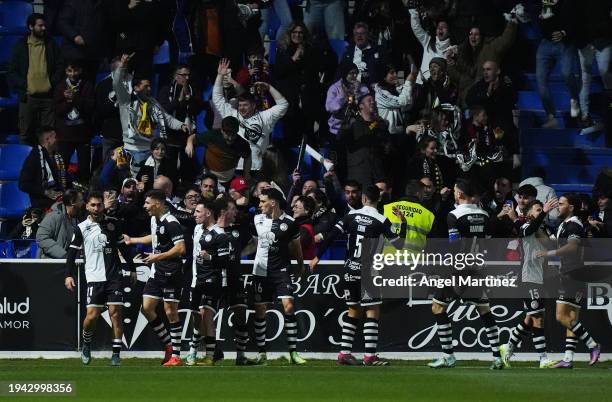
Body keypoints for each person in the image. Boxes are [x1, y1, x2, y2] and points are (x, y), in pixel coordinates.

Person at [310, 185, 407, 366]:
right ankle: (370, 356)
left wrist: (317, 257)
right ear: (379, 200)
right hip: (368, 271)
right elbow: (399, 245)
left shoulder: (350, 216)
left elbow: (331, 236)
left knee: (353, 310)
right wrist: (403, 223)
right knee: (372, 310)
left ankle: (344, 353)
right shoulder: (382, 220)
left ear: (363, 199)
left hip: (350, 269)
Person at [428, 178, 504, 370]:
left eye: (455, 191)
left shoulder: (454, 215)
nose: (453, 193)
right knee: (484, 309)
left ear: (460, 194)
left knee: (438, 308)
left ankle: (448, 356)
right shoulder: (485, 214)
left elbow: (454, 246)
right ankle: (497, 357)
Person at [64, 191, 137, 366]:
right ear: (87, 206)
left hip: (114, 277)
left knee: (116, 314)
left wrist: (132, 268)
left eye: (99, 205)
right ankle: (87, 344)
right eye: (93, 205)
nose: (97, 208)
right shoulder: (81, 228)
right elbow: (72, 253)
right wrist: (68, 275)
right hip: (94, 277)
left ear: (104, 206)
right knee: (92, 316)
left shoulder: (113, 224)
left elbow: (123, 248)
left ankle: (116, 354)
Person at [535, 193, 602, 368]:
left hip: (571, 274)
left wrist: (548, 254)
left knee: (561, 316)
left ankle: (593, 345)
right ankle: (568, 358)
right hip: (577, 274)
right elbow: (554, 244)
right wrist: (538, 227)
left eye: (562, 204)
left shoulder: (573, 225)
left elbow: (572, 247)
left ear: (571, 207)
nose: (558, 206)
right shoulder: (565, 225)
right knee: (572, 317)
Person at [124, 189, 186, 366]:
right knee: (147, 307)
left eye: (147, 203)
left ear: (157, 204)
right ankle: (168, 345)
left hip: (171, 271)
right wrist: (133, 240)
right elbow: (156, 237)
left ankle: (176, 355)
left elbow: (181, 248)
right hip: (157, 271)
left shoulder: (172, 222)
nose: (145, 206)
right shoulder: (154, 219)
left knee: (170, 312)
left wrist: (157, 257)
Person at [249, 188, 306, 365]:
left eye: (262, 201)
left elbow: (296, 247)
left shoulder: (290, 222)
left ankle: (293, 353)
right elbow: (254, 244)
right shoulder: (257, 219)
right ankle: (261, 353)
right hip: (260, 272)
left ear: (273, 202)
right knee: (260, 312)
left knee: (289, 307)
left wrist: (300, 266)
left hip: (281, 270)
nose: (259, 205)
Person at [499, 198, 558, 368]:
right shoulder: (525, 226)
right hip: (528, 277)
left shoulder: (542, 229)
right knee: (538, 317)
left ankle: (507, 347)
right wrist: (545, 211)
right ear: (529, 212)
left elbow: (552, 245)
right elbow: (529, 229)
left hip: (539, 277)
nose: (541, 212)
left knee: (530, 318)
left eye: (542, 210)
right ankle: (543, 358)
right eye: (538, 210)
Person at [112, 53, 191, 176]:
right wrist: (122, 65)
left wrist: (181, 125)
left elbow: (166, 118)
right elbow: (117, 83)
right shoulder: (126, 101)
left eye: (150, 86)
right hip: (133, 149)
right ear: (136, 88)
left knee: (150, 180)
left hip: (151, 149)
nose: (149, 89)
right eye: (146, 86)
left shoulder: (153, 102)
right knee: (135, 182)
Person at [212, 59, 288, 175]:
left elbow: (283, 104)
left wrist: (268, 87)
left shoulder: (265, 117)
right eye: (240, 105)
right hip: (234, 168)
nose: (241, 108)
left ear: (253, 105)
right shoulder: (233, 115)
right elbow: (217, 98)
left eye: (245, 105)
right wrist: (219, 76)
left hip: (256, 168)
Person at [8, 13, 63, 145]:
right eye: (40, 25)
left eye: (44, 25)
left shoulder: (51, 44)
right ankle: (27, 164)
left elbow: (60, 65)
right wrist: (25, 85)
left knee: (49, 135)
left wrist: (52, 82)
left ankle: (47, 164)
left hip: (48, 98)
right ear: (30, 27)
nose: (44, 28)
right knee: (25, 134)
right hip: (28, 98)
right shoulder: (21, 45)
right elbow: (12, 71)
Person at [274, 22, 324, 148]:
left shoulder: (311, 50)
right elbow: (279, 72)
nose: (297, 35)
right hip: (290, 98)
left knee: (308, 134)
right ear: (290, 34)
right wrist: (294, 58)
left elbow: (315, 71)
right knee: (291, 135)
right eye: (294, 32)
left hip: (307, 97)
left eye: (300, 32)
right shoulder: (283, 50)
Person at [534, 0, 581, 129]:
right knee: (540, 80)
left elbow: (576, 20)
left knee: (566, 73)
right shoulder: (543, 2)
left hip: (565, 42)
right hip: (546, 42)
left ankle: (574, 99)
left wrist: (563, 32)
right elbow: (538, 22)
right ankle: (551, 116)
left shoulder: (568, 3)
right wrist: (541, 16)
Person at [158, 65, 205, 186]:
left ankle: (185, 190)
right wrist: (178, 100)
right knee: (169, 168)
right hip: (170, 135)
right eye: (184, 75)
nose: (187, 77)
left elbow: (198, 110)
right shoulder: (166, 90)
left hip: (187, 135)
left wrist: (190, 99)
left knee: (187, 169)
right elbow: (164, 110)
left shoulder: (193, 90)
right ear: (176, 76)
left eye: (188, 75)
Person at [54, 60, 95, 184]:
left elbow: (90, 108)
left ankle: (84, 192)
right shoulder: (60, 87)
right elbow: (57, 111)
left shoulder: (87, 86)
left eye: (75, 70)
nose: (73, 74)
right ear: (65, 71)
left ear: (80, 70)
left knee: (84, 169)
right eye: (69, 71)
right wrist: (67, 101)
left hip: (82, 136)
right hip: (64, 136)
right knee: (61, 169)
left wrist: (75, 98)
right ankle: (61, 192)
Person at [185, 201, 216, 366]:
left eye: (198, 212)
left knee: (206, 316)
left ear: (208, 213)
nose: (194, 214)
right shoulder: (197, 229)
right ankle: (194, 352)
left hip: (210, 280)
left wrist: (209, 258)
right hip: (195, 279)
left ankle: (208, 354)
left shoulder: (217, 233)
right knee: (196, 316)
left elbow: (222, 258)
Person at [338, 93, 389, 189]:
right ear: (361, 106)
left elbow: (386, 144)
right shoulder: (353, 124)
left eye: (373, 100)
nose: (373, 102)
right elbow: (340, 138)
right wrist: (347, 118)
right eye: (369, 100)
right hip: (359, 174)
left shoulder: (379, 123)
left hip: (378, 174)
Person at [185, 116, 252, 185]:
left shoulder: (242, 144)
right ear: (222, 130)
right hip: (209, 176)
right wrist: (189, 143)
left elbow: (248, 157)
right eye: (227, 134)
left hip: (227, 179)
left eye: (233, 134)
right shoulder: (212, 135)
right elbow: (193, 137)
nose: (230, 138)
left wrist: (246, 173)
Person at [382, 180, 434, 254]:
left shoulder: (388, 208)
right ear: (418, 194)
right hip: (414, 261)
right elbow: (433, 244)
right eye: (423, 193)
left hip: (389, 258)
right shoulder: (428, 214)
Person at [19, 127, 64, 210]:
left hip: (60, 198)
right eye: (55, 137)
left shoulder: (57, 156)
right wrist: (45, 192)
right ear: (48, 139)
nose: (57, 140)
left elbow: (64, 179)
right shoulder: (34, 157)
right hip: (42, 203)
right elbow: (23, 184)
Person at [408, 7, 453, 84]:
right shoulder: (428, 41)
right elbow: (416, 27)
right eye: (438, 27)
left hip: (436, 89)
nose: (440, 29)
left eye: (444, 27)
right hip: (420, 85)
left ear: (449, 32)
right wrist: (413, 10)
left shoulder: (451, 51)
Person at [36, 189, 84, 258]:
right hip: (53, 264)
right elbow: (42, 238)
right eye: (81, 200)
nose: (83, 203)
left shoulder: (77, 217)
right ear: (72, 202)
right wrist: (63, 255)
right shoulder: (54, 216)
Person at [339, 22, 386, 86]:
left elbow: (392, 70)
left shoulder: (379, 50)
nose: (359, 36)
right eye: (356, 34)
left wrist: (400, 83)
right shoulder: (348, 53)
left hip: (373, 89)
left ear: (367, 35)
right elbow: (339, 73)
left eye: (362, 33)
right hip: (351, 90)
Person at [292, 195, 317, 260]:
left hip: (301, 268)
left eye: (296, 207)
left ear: (307, 210)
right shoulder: (303, 226)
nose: (293, 209)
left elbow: (294, 249)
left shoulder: (305, 229)